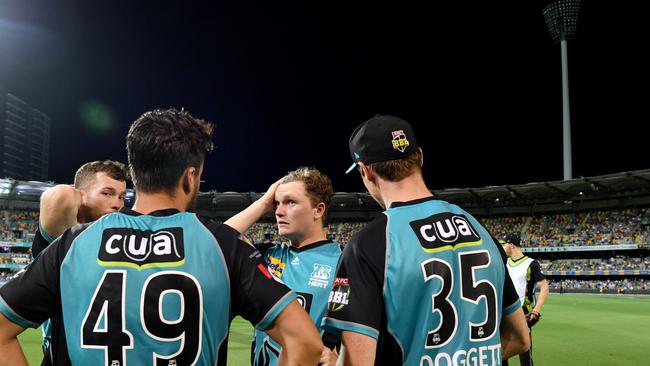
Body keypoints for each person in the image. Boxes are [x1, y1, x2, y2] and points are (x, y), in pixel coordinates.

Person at [0, 108, 322, 365]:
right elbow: (305, 342)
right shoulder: (222, 244)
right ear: (190, 176)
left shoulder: (73, 244)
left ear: (136, 172)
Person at [322, 115, 530, 365]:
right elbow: (520, 338)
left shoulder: (368, 244)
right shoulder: (480, 229)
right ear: (419, 156)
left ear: (365, 170)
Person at [225, 167, 342, 366]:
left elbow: (355, 334)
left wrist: (341, 361)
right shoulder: (267, 256)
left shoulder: (344, 262)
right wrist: (262, 203)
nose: (278, 211)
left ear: (319, 210)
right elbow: (220, 241)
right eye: (276, 203)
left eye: (290, 202)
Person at [31, 160, 128, 365]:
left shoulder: (118, 243)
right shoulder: (63, 238)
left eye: (122, 196)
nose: (117, 204)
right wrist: (79, 193)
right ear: (81, 196)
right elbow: (60, 196)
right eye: (107, 193)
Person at [501, 233, 549, 366]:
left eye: (504, 245)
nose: (502, 247)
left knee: (525, 355)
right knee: (502, 354)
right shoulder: (504, 263)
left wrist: (536, 311)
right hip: (505, 313)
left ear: (511, 245)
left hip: (524, 314)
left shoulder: (531, 264)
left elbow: (544, 287)